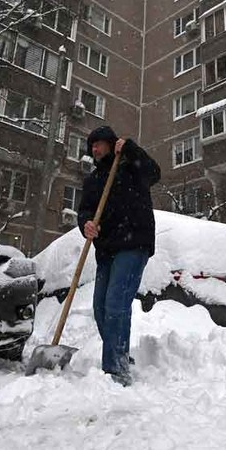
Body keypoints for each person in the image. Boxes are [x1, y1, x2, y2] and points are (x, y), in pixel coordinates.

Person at [78, 125, 160, 386]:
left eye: (99, 143)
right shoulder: (92, 180)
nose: (94, 149)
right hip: (106, 249)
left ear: (111, 144)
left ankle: (115, 370)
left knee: (116, 303)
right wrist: (86, 225)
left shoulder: (131, 168)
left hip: (134, 242)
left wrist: (131, 148)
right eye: (91, 146)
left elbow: (154, 173)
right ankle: (120, 355)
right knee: (101, 307)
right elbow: (85, 211)